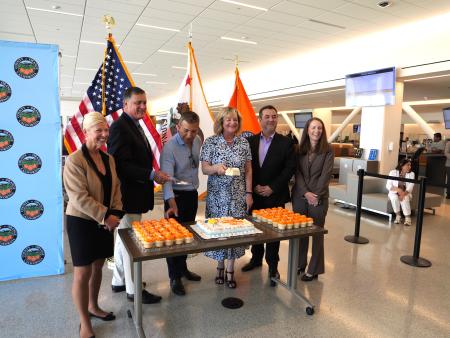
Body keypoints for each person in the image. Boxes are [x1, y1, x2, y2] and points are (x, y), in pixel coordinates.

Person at [108, 87, 170, 304]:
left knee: (122, 239)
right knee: (131, 243)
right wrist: (152, 174)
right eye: (138, 103)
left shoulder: (134, 125)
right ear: (126, 105)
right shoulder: (120, 127)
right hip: (127, 196)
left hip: (134, 195)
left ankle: (119, 279)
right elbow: (120, 165)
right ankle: (133, 290)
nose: (143, 106)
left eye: (144, 102)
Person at [63, 112, 122, 338]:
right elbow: (78, 197)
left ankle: (93, 306)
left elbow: (116, 188)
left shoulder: (109, 159)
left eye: (106, 130)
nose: (104, 134)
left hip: (105, 221)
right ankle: (84, 321)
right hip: (81, 221)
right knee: (82, 272)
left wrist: (115, 213)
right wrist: (105, 216)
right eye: (99, 130)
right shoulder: (74, 160)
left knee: (98, 266)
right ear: (86, 132)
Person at [241, 105, 296, 287]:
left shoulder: (286, 142)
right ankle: (256, 259)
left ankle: (273, 266)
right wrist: (254, 186)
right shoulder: (250, 141)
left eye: (274, 116)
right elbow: (248, 168)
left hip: (275, 195)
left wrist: (272, 187)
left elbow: (289, 169)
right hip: (255, 195)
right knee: (255, 230)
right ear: (260, 119)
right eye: (267, 116)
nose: (271, 120)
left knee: (273, 234)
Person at [200, 107, 253, 288]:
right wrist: (216, 168)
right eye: (228, 120)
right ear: (221, 122)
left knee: (235, 233)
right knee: (219, 233)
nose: (232, 123)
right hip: (217, 197)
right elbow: (204, 168)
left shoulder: (244, 143)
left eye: (235, 120)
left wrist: (249, 193)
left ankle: (231, 270)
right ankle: (220, 267)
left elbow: (248, 170)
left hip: (238, 196)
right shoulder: (210, 142)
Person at [161, 111, 202, 296]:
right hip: (175, 198)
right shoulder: (169, 148)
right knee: (173, 239)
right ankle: (174, 277)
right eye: (186, 131)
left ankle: (183, 269)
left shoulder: (198, 141)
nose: (189, 135)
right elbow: (167, 178)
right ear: (178, 127)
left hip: (191, 194)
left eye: (193, 131)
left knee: (187, 236)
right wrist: (171, 202)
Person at [291, 117, 334, 282]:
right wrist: (305, 193)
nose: (317, 131)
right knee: (301, 231)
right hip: (300, 196)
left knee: (317, 233)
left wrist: (315, 194)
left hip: (319, 197)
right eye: (313, 128)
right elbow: (297, 173)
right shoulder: (299, 149)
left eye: (320, 128)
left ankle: (314, 269)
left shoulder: (328, 150)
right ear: (307, 130)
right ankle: (300, 264)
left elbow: (326, 174)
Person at [386, 158, 415, 225]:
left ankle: (407, 218)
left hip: (406, 192)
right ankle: (398, 216)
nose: (409, 167)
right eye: (408, 165)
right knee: (394, 198)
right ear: (402, 165)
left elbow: (411, 185)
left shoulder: (412, 174)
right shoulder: (393, 172)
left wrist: (403, 194)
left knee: (405, 199)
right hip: (394, 192)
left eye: (410, 165)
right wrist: (398, 190)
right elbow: (388, 185)